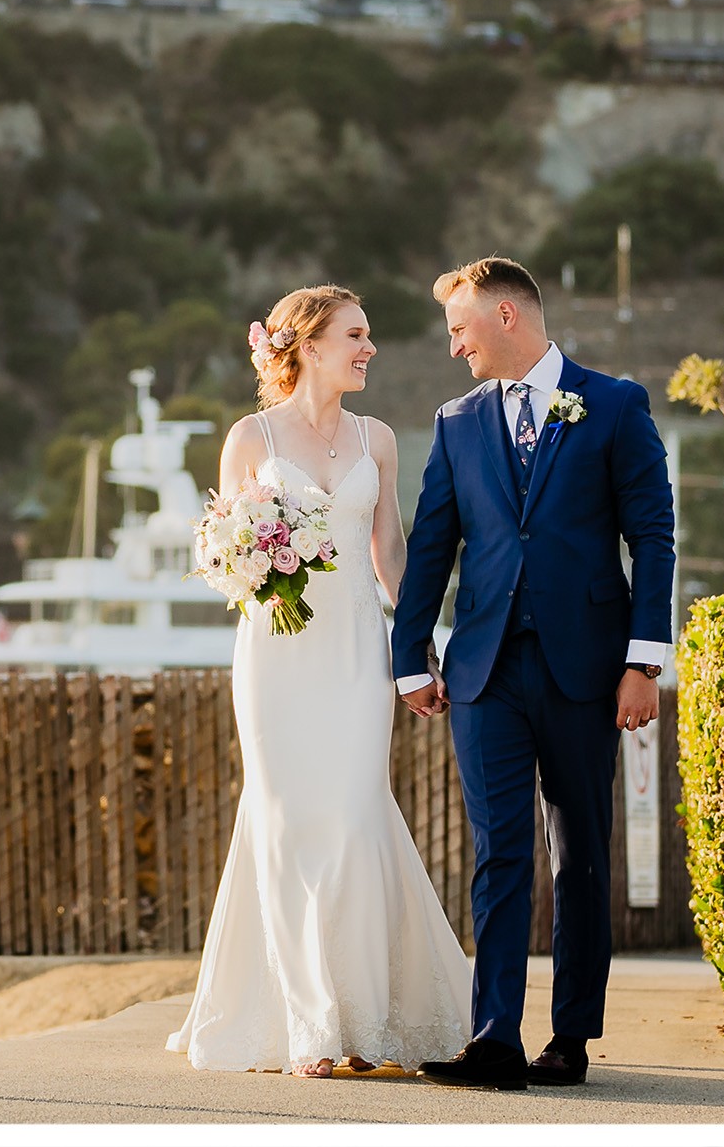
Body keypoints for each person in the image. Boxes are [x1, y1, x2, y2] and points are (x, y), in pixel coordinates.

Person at [167, 285, 471, 1079]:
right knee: (286, 821)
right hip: (276, 657)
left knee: (354, 815)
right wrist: (254, 564)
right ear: (305, 344)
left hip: (356, 654)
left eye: (368, 337)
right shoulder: (250, 437)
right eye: (355, 336)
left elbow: (390, 553)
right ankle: (311, 1025)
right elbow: (219, 551)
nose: (369, 349)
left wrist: (421, 646)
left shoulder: (378, 439)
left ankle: (366, 1016)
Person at [392, 257, 674, 1091]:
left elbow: (652, 538)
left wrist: (642, 663)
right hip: (483, 671)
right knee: (499, 851)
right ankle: (494, 1039)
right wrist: (411, 658)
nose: (454, 348)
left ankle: (571, 1039)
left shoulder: (615, 404)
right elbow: (433, 549)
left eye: (460, 328)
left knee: (580, 852)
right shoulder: (455, 421)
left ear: (507, 317)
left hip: (588, 670)